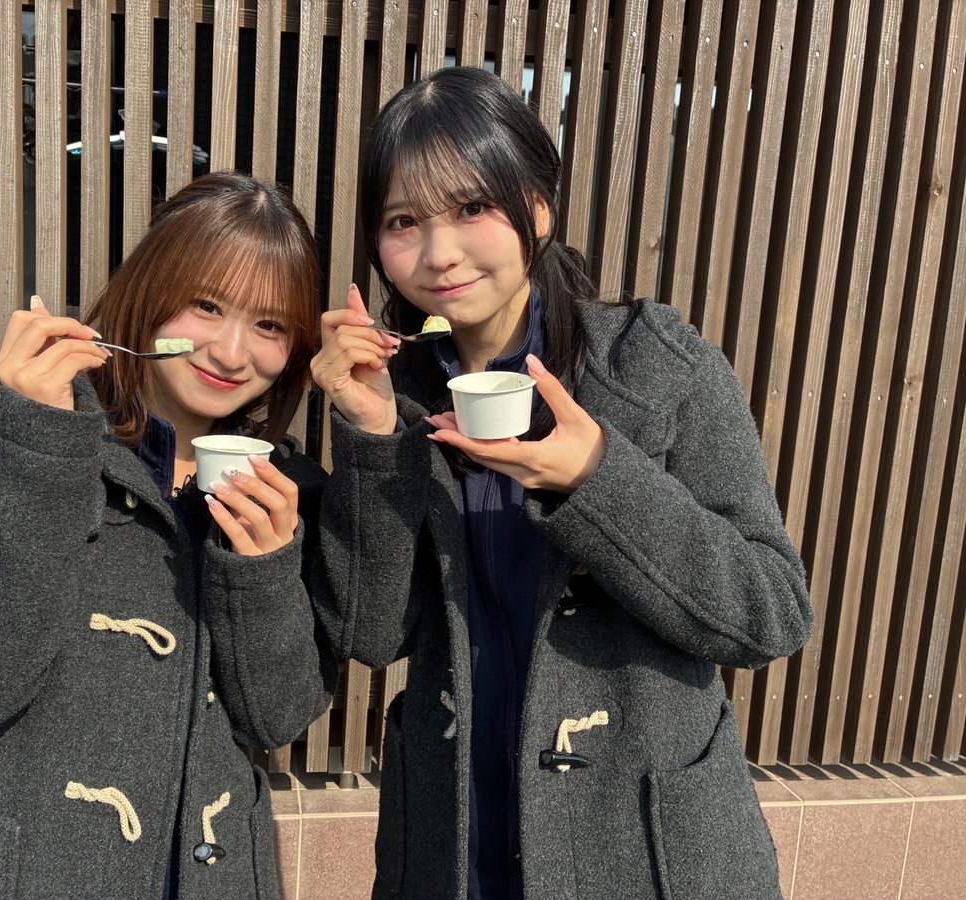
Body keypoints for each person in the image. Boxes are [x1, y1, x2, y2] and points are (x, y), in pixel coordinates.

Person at [309, 67, 812, 900]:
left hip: (643, 850)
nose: (439, 252)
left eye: (473, 208)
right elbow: (370, 633)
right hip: (456, 840)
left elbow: (771, 612)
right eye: (404, 221)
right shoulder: (401, 394)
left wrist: (595, 478)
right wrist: (370, 435)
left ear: (538, 207)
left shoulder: (654, 365)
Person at [0, 172, 337, 899]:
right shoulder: (8, 438)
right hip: (20, 877)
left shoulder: (285, 492)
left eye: (270, 325)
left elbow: (276, 718)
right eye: (207, 304)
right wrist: (39, 451)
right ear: (149, 290)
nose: (231, 351)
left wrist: (264, 569)